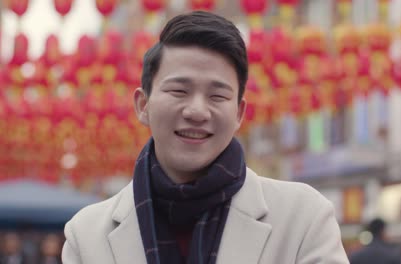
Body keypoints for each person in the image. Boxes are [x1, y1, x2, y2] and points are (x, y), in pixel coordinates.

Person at [62, 11, 348, 264]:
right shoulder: (87, 235)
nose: (197, 111)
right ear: (143, 105)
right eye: (179, 91)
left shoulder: (302, 218)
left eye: (217, 95)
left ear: (239, 113)